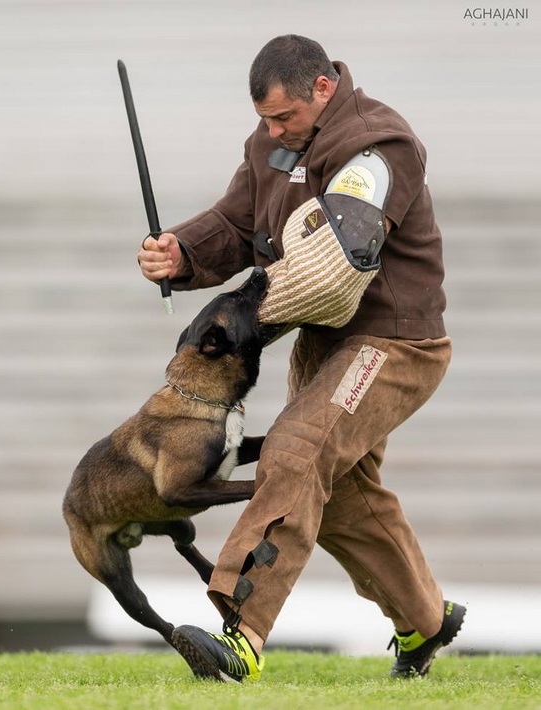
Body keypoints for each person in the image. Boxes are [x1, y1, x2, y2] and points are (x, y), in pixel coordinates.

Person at [137, 34, 465, 681]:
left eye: (283, 117)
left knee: (295, 449)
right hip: (324, 343)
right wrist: (182, 253)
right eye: (264, 119)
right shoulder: (270, 143)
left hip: (393, 341)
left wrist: (238, 320)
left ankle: (241, 636)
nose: (271, 130)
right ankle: (425, 620)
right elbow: (236, 226)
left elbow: (333, 270)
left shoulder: (380, 145)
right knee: (337, 494)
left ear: (323, 88)